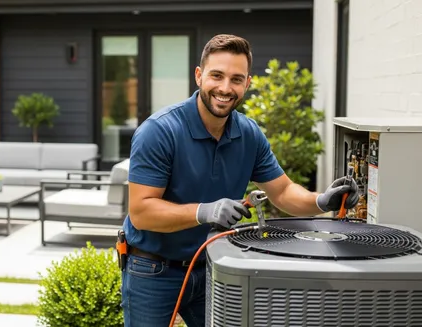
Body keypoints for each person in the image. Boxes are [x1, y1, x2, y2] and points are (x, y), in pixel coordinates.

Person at [119, 34, 359, 327]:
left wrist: (321, 201)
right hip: (153, 268)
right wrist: (203, 211)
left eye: (236, 79)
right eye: (216, 76)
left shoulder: (249, 133)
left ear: (247, 84)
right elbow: (142, 213)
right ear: (199, 76)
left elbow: (282, 192)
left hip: (214, 265)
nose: (224, 88)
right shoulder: (159, 131)